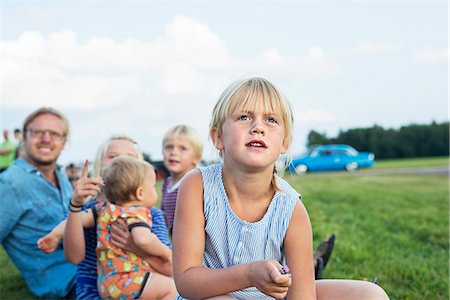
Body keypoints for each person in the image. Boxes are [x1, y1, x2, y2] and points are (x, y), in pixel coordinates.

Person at [172, 77, 390, 299]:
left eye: (271, 120)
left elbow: (302, 295)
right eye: (244, 117)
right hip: (208, 296)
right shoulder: (197, 186)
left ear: (285, 143)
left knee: (371, 294)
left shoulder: (291, 209)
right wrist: (249, 274)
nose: (258, 127)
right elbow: (186, 281)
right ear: (218, 137)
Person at [38, 135, 172, 299]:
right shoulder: (86, 208)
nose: (121, 161)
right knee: (174, 290)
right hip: (97, 292)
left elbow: (170, 269)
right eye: (113, 156)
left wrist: (135, 248)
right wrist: (74, 207)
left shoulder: (149, 214)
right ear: (101, 165)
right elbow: (74, 257)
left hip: (116, 287)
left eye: (129, 157)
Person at [65, 157, 177, 299]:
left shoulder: (102, 210)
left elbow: (78, 218)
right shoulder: (137, 213)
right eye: (153, 187)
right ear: (140, 193)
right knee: (172, 288)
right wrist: (166, 253)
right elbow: (142, 239)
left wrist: (55, 233)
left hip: (106, 285)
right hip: (129, 284)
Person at [0, 107, 76, 298]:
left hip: (92, 266)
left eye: (55, 134)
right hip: (68, 284)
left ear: (64, 142)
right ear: (24, 138)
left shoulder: (61, 174)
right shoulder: (10, 183)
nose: (46, 139)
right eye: (38, 132)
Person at [161, 125, 203, 235]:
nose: (174, 152)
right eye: (169, 147)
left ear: (196, 158)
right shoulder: (167, 183)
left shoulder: (195, 184)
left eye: (182, 148)